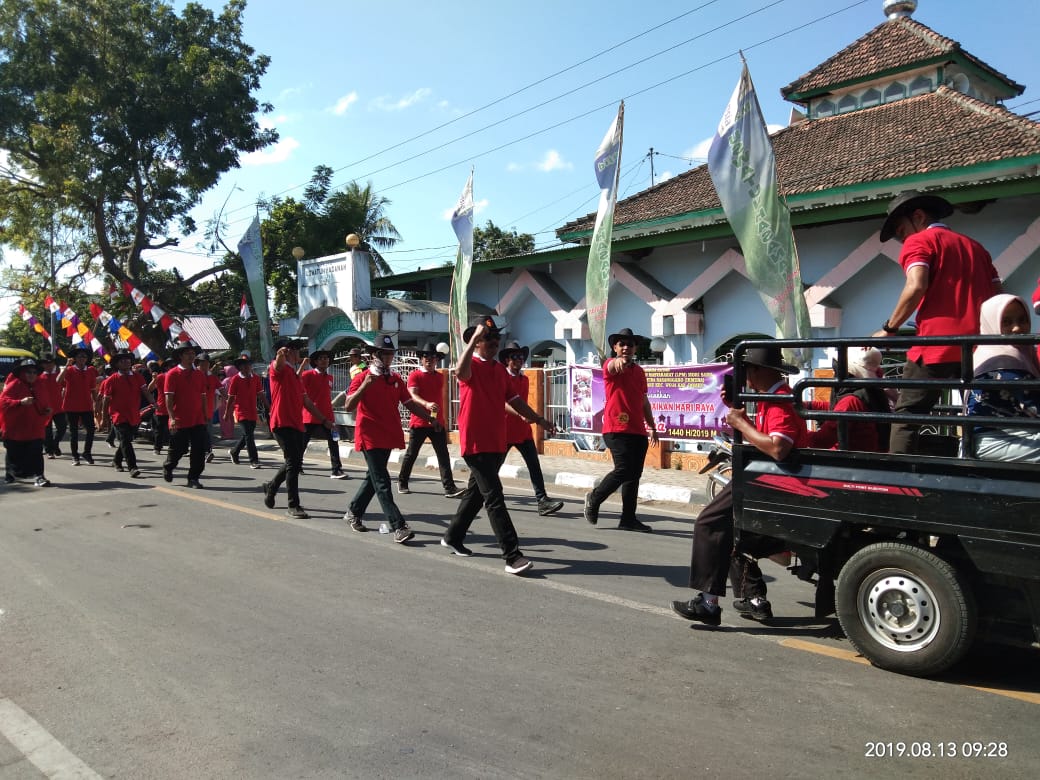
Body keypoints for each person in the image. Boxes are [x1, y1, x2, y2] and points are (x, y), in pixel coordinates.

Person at [672, 345, 809, 625]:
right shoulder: (770, 398)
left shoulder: (779, 401)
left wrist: (741, 424)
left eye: (747, 370)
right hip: (767, 476)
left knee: (709, 524)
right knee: (736, 533)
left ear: (759, 371)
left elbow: (778, 448)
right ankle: (752, 598)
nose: (744, 377)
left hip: (770, 479)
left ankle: (709, 603)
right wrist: (738, 412)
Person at [873, 191, 1002, 453]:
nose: (902, 240)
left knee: (907, 417)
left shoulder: (920, 241)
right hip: (979, 348)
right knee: (983, 414)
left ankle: (898, 485)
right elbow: (998, 298)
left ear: (918, 217)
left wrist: (889, 329)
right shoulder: (977, 248)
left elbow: (916, 285)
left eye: (901, 232)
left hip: (935, 347)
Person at [441, 317, 555, 575]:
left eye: (496, 341)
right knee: (494, 498)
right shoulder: (471, 367)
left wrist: (539, 420)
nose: (493, 344)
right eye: (487, 340)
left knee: (476, 495)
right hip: (476, 443)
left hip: (496, 441)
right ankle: (512, 555)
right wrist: (472, 338)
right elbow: (460, 371)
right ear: (476, 343)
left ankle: (453, 536)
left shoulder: (500, 371)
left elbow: (515, 401)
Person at [343, 335, 437, 541]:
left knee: (373, 478)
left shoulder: (394, 379)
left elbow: (409, 403)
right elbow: (348, 405)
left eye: (390, 354)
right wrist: (365, 385)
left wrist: (430, 419)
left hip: (387, 435)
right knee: (382, 481)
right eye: (384, 354)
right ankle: (399, 526)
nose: (388, 358)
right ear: (375, 355)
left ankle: (354, 511)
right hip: (369, 435)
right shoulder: (362, 377)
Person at [582, 327, 659, 532]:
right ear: (615, 347)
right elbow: (617, 365)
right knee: (623, 469)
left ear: (636, 348)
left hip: (637, 431)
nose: (626, 347)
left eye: (630, 344)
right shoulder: (609, 365)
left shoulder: (640, 372)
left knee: (634, 475)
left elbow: (644, 402)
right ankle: (594, 498)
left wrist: (651, 426)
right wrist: (621, 359)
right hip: (616, 429)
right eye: (621, 344)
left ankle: (628, 519)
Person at [262, 337, 335, 519]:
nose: (297, 353)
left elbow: (307, 401)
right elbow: (277, 364)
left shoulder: (295, 375)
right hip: (281, 422)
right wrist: (280, 355)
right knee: (294, 463)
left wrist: (323, 419)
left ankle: (271, 486)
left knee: (292, 462)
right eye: (294, 350)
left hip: (296, 423)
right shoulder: (277, 368)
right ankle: (293, 505)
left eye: (296, 350)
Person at [966, 294, 1040, 462]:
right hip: (994, 440)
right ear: (992, 324)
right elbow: (1034, 406)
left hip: (1019, 433)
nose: (1017, 328)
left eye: (1022, 320)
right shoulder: (1004, 360)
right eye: (1006, 322)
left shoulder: (1020, 353)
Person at [499, 340, 564, 516]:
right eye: (514, 357)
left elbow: (524, 404)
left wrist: (537, 419)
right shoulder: (501, 378)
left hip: (523, 431)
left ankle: (542, 500)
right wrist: (519, 413)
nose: (519, 360)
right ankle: (477, 495)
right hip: (504, 431)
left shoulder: (525, 379)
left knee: (534, 466)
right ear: (507, 360)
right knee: (492, 469)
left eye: (521, 357)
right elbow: (501, 403)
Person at [397, 342, 464, 497]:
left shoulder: (440, 377)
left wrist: (442, 420)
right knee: (412, 454)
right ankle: (402, 482)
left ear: (437, 360)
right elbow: (412, 396)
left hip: (437, 423)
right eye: (426, 356)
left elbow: (441, 400)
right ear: (421, 359)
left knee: (443, 454)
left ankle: (449, 488)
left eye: (433, 357)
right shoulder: (415, 375)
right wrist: (426, 404)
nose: (429, 359)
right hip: (420, 421)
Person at [806, 347, 890, 452]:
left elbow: (820, 441)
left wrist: (798, 430)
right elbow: (838, 408)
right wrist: (807, 405)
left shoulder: (851, 401)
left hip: (851, 462)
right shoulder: (870, 393)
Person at [162, 343, 210, 488]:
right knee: (178, 449)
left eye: (192, 353)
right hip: (180, 419)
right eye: (187, 353)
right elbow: (169, 398)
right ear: (180, 356)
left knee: (199, 450)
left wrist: (205, 414)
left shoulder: (199, 375)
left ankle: (193, 478)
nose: (191, 356)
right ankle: (169, 466)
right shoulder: (172, 374)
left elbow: (203, 396)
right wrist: (171, 417)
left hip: (197, 419)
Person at [100, 350, 153, 478]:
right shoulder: (111, 380)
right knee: (125, 440)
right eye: (122, 360)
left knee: (126, 440)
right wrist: (104, 418)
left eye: (127, 360)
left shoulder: (137, 376)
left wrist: (154, 403)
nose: (126, 362)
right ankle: (133, 467)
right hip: (118, 415)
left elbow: (145, 391)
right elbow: (106, 400)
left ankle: (116, 461)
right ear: (117, 364)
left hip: (134, 414)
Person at [1, 358, 52, 486]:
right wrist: (20, 402)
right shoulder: (14, 385)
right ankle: (10, 474)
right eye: (28, 372)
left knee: (36, 451)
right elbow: (3, 403)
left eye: (34, 372)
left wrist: (47, 410)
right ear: (23, 373)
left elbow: (44, 403)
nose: (32, 375)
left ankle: (39, 476)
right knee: (13, 452)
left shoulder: (40, 385)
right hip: (16, 427)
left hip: (35, 427)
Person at [299, 349, 347, 479]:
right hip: (310, 415)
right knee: (303, 443)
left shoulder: (330, 377)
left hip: (327, 416)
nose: (324, 360)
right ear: (315, 361)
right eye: (321, 358)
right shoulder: (307, 375)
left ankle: (336, 469)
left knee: (334, 442)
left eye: (326, 358)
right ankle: (297, 465)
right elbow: (297, 386)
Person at [57, 346, 99, 465]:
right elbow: (58, 381)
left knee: (91, 430)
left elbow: (93, 389)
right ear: (75, 358)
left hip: (86, 405)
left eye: (84, 356)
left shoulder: (90, 370)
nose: (82, 358)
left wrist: (96, 403)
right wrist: (66, 366)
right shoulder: (70, 370)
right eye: (80, 356)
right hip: (71, 406)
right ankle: (75, 456)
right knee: (74, 432)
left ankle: (87, 453)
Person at [225, 356, 267, 468]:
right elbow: (231, 397)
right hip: (240, 412)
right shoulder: (235, 379)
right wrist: (226, 412)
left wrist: (269, 407)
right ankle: (254, 460)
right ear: (240, 367)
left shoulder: (256, 378)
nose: (247, 366)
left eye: (248, 364)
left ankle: (234, 451)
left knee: (247, 435)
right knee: (249, 436)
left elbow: (261, 394)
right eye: (244, 364)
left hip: (252, 411)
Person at [195, 352, 223, 464]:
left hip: (209, 410)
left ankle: (207, 452)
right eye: (203, 363)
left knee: (207, 432)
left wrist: (231, 400)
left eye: (207, 363)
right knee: (199, 432)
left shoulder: (212, 377)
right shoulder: (194, 375)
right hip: (195, 410)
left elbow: (221, 389)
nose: (205, 365)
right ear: (199, 363)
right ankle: (203, 451)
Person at [340, 346, 366, 442]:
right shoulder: (351, 368)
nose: (351, 358)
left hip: (358, 393)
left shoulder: (363, 367)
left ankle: (357, 436)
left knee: (357, 415)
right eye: (350, 356)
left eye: (353, 356)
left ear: (359, 357)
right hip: (351, 391)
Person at [147, 362, 170, 454]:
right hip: (161, 408)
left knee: (175, 430)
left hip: (174, 408)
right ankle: (157, 448)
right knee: (159, 430)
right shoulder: (161, 377)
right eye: (169, 366)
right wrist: (154, 379)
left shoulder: (178, 376)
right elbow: (149, 389)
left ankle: (176, 448)